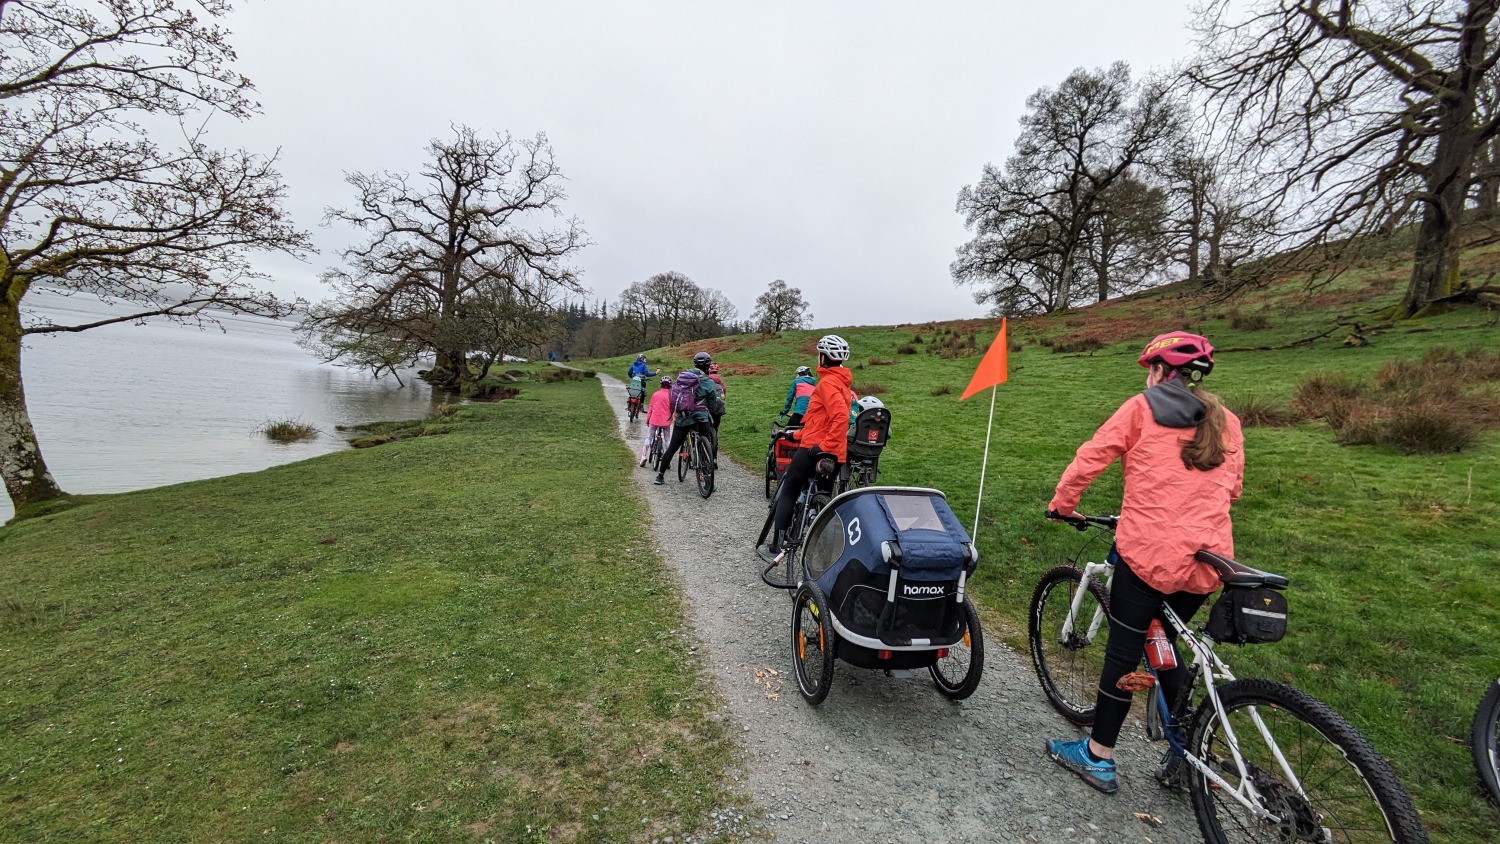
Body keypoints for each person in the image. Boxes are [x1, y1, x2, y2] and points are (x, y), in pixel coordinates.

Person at [1043, 332, 1243, 795]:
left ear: (1157, 371)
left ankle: (1098, 758)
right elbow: (1232, 488)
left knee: (1123, 653)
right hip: (1206, 563)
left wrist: (1064, 503)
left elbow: (1091, 458)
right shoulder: (1228, 421)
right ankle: (1187, 752)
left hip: (1150, 555)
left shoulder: (1142, 407)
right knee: (1165, 644)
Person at [757, 335, 854, 564]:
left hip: (816, 450)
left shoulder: (828, 383)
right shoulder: (842, 383)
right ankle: (824, 556)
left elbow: (840, 417)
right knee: (824, 501)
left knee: (790, 488)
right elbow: (820, 422)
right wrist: (796, 434)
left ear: (823, 357)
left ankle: (775, 547)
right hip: (836, 453)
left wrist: (822, 445)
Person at [653, 352, 722, 485]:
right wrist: (711, 412)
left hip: (683, 418)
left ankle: (660, 476)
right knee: (705, 445)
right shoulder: (708, 382)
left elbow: (674, 395)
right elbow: (713, 402)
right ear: (708, 366)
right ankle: (708, 481)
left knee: (672, 447)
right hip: (701, 419)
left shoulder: (683, 377)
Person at [640, 376, 674, 467]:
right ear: (670, 386)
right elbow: (673, 410)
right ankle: (667, 460)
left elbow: (651, 408)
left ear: (661, 385)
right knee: (667, 440)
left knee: (649, 437)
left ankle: (643, 456)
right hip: (666, 421)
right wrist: (672, 419)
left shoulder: (655, 394)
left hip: (654, 420)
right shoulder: (671, 396)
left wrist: (648, 420)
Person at [706, 362, 727, 431]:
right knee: (716, 425)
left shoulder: (705, 380)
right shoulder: (720, 382)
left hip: (707, 407)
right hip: (719, 407)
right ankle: (715, 438)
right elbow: (724, 394)